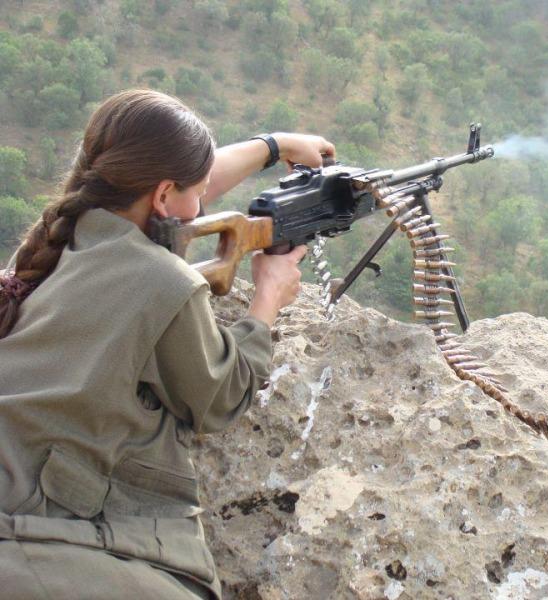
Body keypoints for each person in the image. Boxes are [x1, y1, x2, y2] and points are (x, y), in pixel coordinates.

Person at [0, 89, 335, 599]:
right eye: (198, 192)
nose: (204, 204)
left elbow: (182, 188)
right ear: (161, 196)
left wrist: (276, 144)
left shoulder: (67, 234)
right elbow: (221, 396)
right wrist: (267, 299)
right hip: (44, 528)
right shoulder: (164, 281)